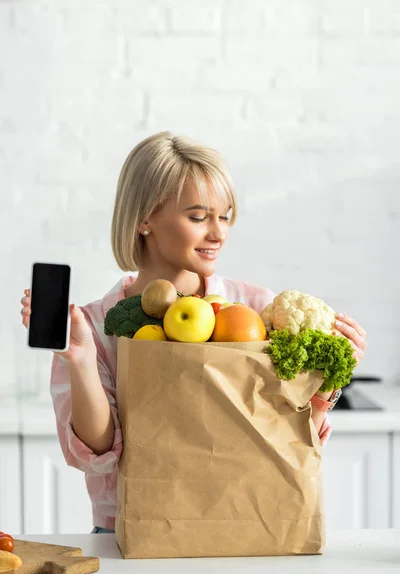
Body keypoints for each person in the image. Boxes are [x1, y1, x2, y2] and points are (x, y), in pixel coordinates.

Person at [20, 131, 368, 534]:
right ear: (144, 219)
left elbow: (287, 442)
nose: (218, 233)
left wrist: (328, 381)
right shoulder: (94, 325)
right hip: (131, 538)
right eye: (199, 217)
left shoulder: (256, 308)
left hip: (245, 526)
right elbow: (97, 455)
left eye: (225, 216)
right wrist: (79, 360)